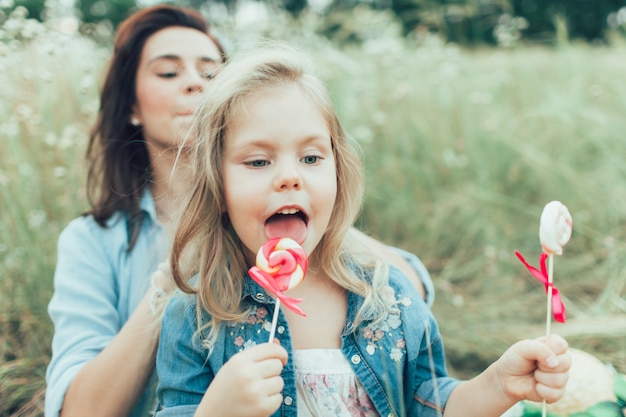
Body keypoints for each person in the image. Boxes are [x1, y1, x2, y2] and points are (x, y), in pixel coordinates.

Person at [44, 5, 434, 417]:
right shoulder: (93, 241)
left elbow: (414, 296)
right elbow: (79, 410)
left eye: (210, 72)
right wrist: (174, 278)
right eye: (168, 72)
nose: (195, 83)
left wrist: (311, 231)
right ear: (131, 106)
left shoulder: (292, 204)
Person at [153, 43, 571, 417]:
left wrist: (497, 386)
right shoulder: (195, 318)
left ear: (339, 170)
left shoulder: (387, 297)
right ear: (218, 186)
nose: (288, 178)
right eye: (258, 161)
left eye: (311, 158)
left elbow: (432, 403)